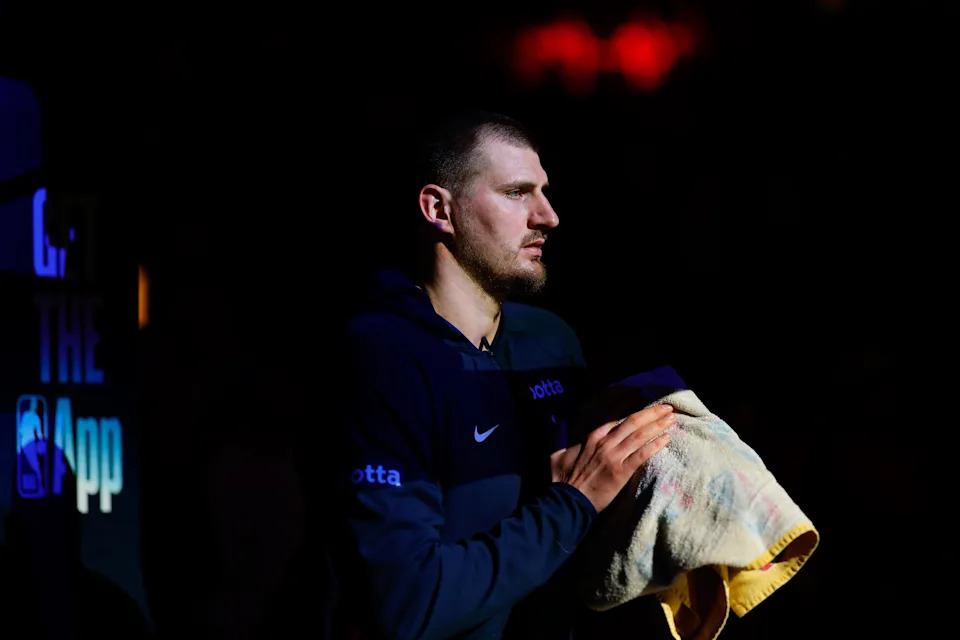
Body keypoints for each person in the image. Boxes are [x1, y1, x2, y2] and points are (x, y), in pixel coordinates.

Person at [327, 110, 676, 640]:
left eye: (544, 191)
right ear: (439, 208)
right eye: (517, 193)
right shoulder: (385, 358)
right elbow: (406, 604)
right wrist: (572, 505)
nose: (549, 216)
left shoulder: (549, 342)